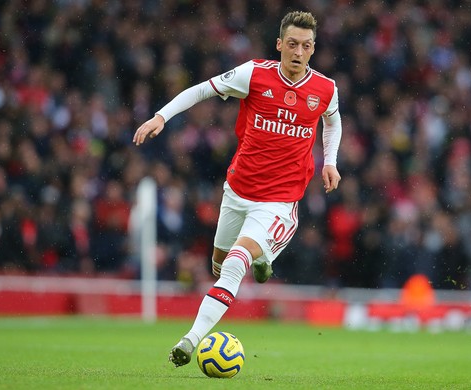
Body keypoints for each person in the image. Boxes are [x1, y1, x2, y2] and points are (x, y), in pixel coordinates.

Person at [133, 10, 342, 368]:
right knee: (218, 264)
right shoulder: (254, 74)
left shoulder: (325, 88)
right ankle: (264, 259)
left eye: (305, 46)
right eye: (291, 44)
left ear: (313, 49)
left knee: (233, 263)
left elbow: (332, 121)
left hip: (279, 202)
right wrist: (161, 116)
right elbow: (202, 90)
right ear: (279, 44)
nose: (297, 51)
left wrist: (330, 161)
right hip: (238, 190)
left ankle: (190, 340)